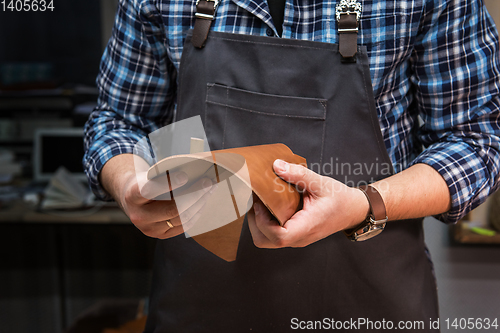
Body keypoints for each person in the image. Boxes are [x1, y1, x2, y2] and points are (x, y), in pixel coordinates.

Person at [84, 0, 500, 331]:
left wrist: (364, 203)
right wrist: (128, 181)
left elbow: (477, 140)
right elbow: (120, 121)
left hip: (368, 302)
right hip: (199, 303)